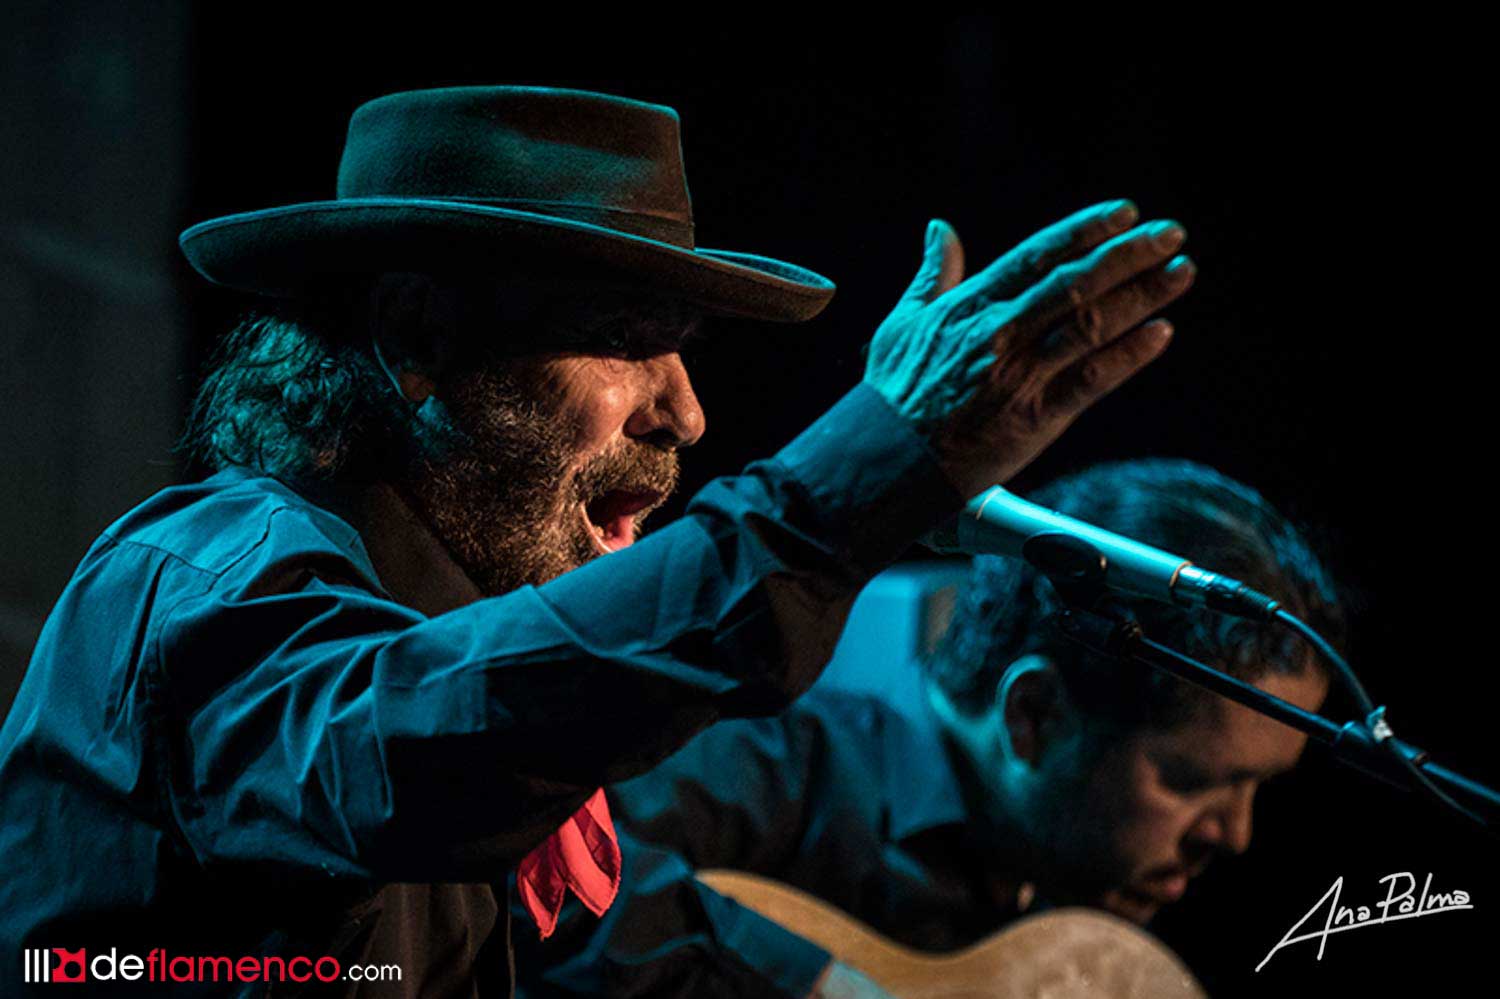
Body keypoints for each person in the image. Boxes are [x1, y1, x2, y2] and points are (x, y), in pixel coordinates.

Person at [0, 85, 1191, 997]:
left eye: (683, 350)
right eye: (626, 340)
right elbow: (416, 742)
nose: (686, 411)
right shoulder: (210, 576)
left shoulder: (473, 659)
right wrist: (854, 480)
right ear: (416, 338)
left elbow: (627, 951)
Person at [514, 459, 1340, 998]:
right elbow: (529, 873)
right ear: (1035, 715)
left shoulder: (1076, 920)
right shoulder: (779, 765)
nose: (1234, 836)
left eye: (1259, 788)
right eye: (1195, 780)